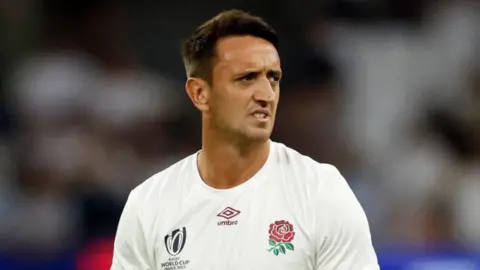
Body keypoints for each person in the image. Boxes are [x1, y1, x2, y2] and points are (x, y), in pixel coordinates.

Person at [111, 9, 379, 270]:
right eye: (245, 78)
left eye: (272, 78)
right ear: (200, 93)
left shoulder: (323, 191)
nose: (265, 94)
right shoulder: (150, 202)